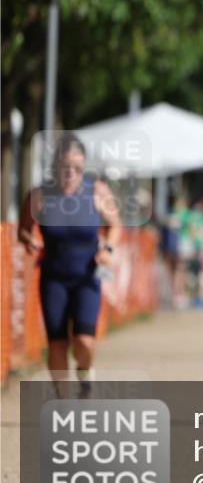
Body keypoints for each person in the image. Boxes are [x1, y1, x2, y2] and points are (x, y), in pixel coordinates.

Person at [17, 133, 122, 398]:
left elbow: (116, 225)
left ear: (84, 166)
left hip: (87, 276)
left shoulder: (97, 191)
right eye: (66, 167)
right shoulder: (40, 196)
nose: (71, 173)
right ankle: (64, 401)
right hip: (53, 278)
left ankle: (85, 372)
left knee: (84, 341)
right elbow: (23, 229)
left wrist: (108, 248)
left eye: (77, 168)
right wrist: (29, 240)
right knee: (57, 342)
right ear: (56, 166)